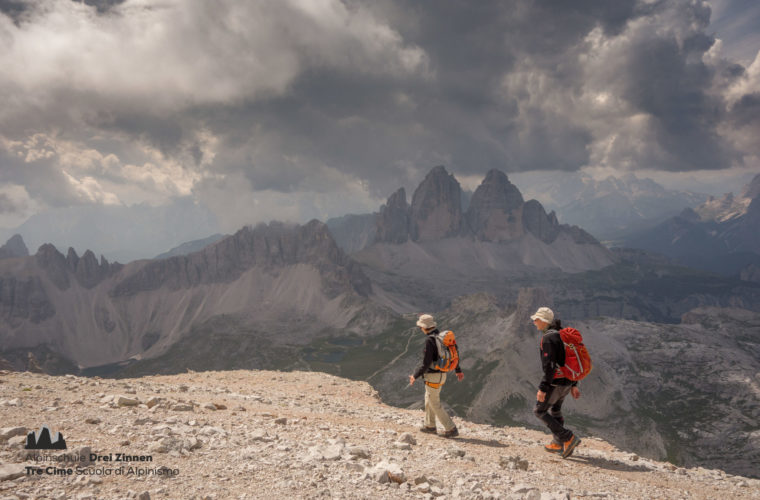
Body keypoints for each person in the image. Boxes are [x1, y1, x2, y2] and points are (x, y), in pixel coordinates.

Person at [531, 306, 582, 458]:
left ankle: (568, 437)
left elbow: (550, 366)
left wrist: (543, 388)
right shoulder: (562, 335)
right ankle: (558, 443)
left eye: (536, 319)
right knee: (556, 410)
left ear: (543, 321)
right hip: (567, 381)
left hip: (556, 383)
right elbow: (569, 361)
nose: (534, 322)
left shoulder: (548, 338)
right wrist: (574, 384)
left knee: (539, 411)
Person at [409, 314, 463, 437]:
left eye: (420, 327)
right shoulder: (442, 338)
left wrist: (415, 376)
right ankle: (430, 425)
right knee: (428, 399)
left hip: (433, 376)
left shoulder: (430, 340)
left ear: (424, 327)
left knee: (434, 403)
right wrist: (458, 370)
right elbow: (455, 355)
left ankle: (451, 428)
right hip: (441, 375)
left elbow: (426, 363)